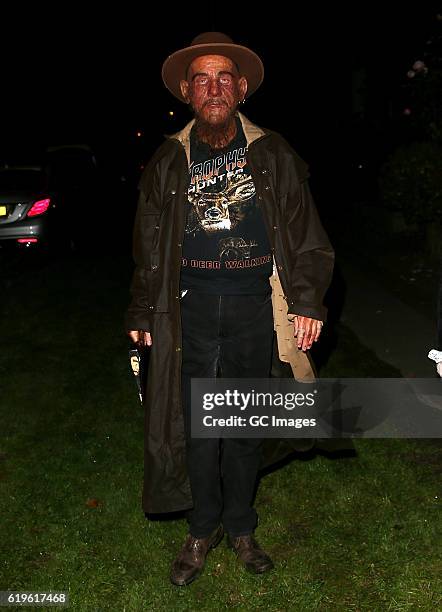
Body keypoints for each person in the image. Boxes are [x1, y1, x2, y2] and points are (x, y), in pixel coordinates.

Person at [125, 32, 335, 586]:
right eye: (202, 79)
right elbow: (147, 246)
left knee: (242, 422)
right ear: (186, 92)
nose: (213, 88)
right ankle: (203, 526)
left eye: (223, 78)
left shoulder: (274, 153)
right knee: (196, 426)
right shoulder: (168, 160)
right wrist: (143, 311)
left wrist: (307, 300)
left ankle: (241, 526)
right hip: (187, 311)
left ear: (240, 89)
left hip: (253, 308)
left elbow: (306, 236)